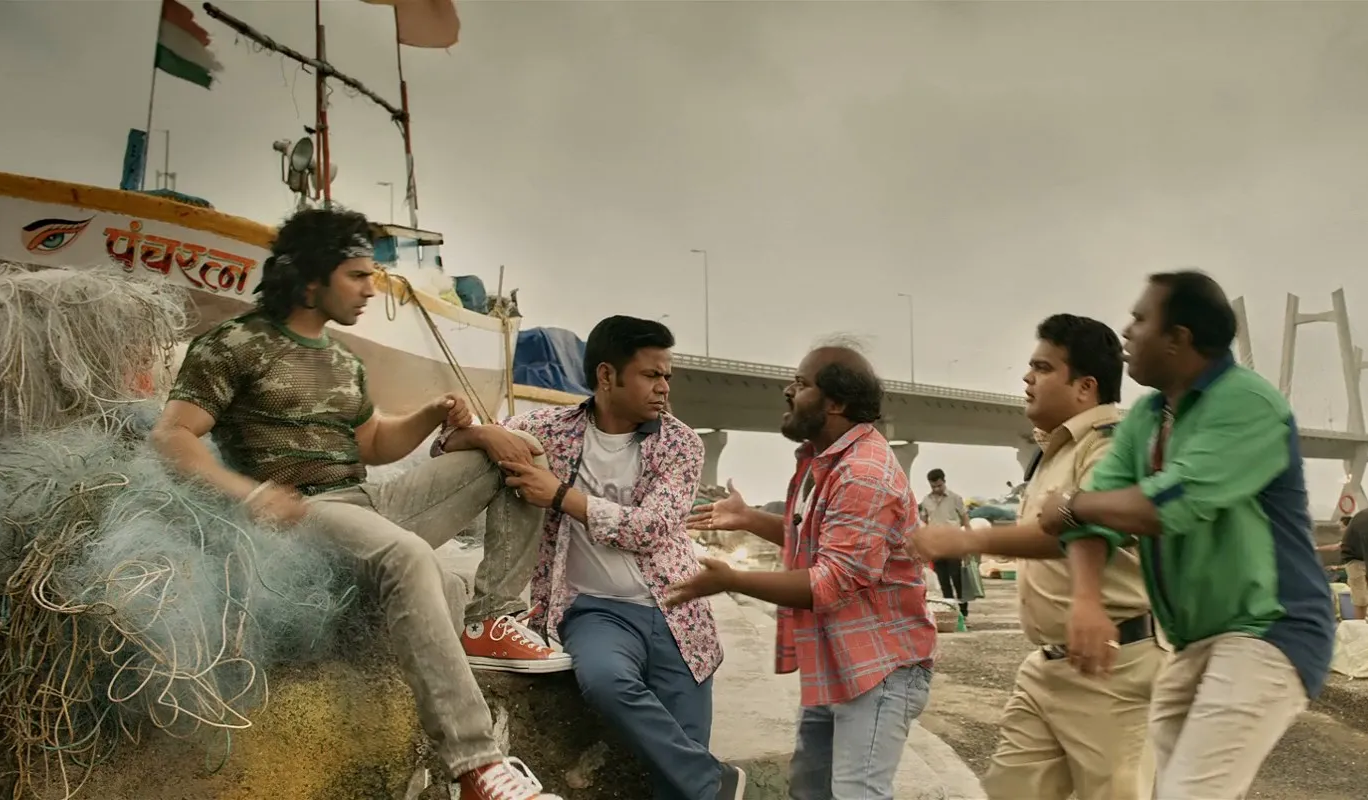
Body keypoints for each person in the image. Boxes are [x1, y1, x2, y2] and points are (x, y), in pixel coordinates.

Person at [149, 207, 567, 800]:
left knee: (521, 453)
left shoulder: (342, 359)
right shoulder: (234, 344)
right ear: (309, 280)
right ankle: (477, 767)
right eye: (357, 275)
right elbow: (173, 436)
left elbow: (372, 444)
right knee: (411, 558)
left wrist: (431, 414)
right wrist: (251, 493)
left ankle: (487, 619)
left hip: (364, 500)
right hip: (302, 513)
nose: (372, 289)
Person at [1041, 270, 1335, 800]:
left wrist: (1069, 503)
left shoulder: (1248, 403)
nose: (1127, 331)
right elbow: (1097, 515)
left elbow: (1165, 505)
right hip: (1193, 640)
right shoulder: (1148, 417)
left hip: (1270, 630)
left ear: (1178, 338)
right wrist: (1086, 599)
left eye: (1140, 319)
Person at [435, 315, 744, 800]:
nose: (664, 387)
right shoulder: (549, 430)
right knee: (605, 682)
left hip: (679, 614)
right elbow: (445, 447)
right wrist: (482, 435)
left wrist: (560, 495)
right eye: (651, 374)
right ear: (606, 375)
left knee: (674, 782)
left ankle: (702, 782)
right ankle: (714, 780)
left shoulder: (681, 443)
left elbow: (652, 529)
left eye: (667, 375)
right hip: (595, 611)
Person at [667, 343, 935, 800]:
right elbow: (817, 542)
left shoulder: (863, 473)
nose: (788, 392)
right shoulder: (825, 461)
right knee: (810, 788)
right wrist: (750, 518)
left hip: (880, 667)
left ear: (836, 403)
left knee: (857, 793)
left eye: (801, 383)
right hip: (840, 657)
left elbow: (832, 581)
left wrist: (731, 579)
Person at [910, 313, 1157, 800]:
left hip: (1109, 670)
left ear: (1085, 386)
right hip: (1047, 666)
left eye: (1043, 368)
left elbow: (1087, 527)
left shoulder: (1110, 446)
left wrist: (971, 541)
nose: (1027, 378)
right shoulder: (1055, 450)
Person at [918, 468, 975, 619]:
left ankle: (963, 611)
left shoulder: (955, 498)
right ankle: (951, 611)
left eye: (939, 486)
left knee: (957, 578)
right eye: (933, 486)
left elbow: (965, 520)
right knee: (943, 581)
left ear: (944, 481)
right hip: (936, 546)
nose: (937, 489)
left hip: (954, 544)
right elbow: (923, 523)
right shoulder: (926, 501)